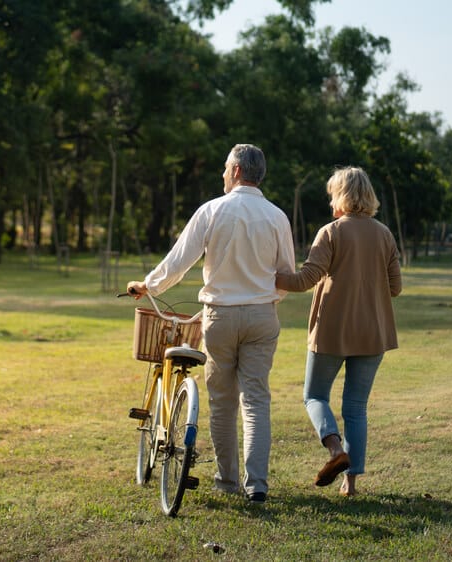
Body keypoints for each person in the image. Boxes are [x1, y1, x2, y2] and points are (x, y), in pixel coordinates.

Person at [127, 144, 295, 504]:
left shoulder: (213, 210)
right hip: (262, 315)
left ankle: (227, 479)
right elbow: (286, 276)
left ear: (236, 171)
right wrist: (265, 300)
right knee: (256, 399)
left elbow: (179, 261)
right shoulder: (277, 216)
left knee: (222, 402)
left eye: (224, 169)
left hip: (219, 316)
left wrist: (149, 285)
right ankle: (258, 485)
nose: (222, 174)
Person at [275, 166, 401, 496]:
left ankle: (335, 451)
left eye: (332, 193)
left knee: (314, 395)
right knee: (356, 408)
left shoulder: (330, 233)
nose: (330, 200)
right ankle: (350, 484)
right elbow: (396, 287)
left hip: (332, 331)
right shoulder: (385, 234)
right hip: (373, 333)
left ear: (341, 196)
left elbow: (304, 280)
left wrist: (268, 275)